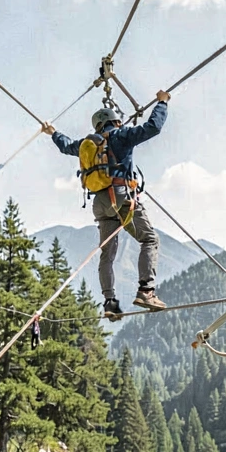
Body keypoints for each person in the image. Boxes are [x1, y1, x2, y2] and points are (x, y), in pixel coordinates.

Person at [44, 90, 171, 316]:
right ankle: (146, 291)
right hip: (122, 197)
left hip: (100, 203)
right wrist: (162, 102)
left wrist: (53, 132)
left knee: (108, 253)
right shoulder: (121, 136)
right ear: (115, 121)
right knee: (149, 238)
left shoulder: (88, 144)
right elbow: (154, 127)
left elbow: (66, 146)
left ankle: (110, 302)